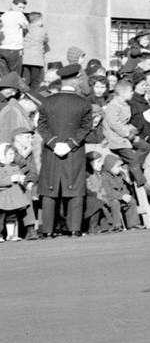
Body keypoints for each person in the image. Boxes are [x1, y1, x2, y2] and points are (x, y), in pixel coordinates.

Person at [34, 63, 95, 237]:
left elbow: (41, 125)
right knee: (74, 188)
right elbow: (86, 127)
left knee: (49, 189)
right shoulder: (83, 103)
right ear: (76, 80)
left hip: (51, 150)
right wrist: (70, 144)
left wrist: (53, 143)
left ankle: (47, 230)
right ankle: (74, 228)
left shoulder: (48, 101)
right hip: (74, 151)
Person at [0, 0, 27, 75]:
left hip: (2, 48)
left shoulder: (4, 15)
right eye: (20, 7)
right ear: (13, 5)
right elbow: (25, 25)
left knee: (3, 75)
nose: (21, 10)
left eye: (23, 8)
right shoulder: (19, 14)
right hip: (14, 48)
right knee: (14, 75)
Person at [20, 10, 47, 89]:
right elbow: (46, 40)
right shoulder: (43, 30)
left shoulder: (24, 29)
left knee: (25, 79)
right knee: (35, 81)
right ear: (39, 20)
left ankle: (23, 95)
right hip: (36, 60)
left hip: (25, 59)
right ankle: (33, 96)